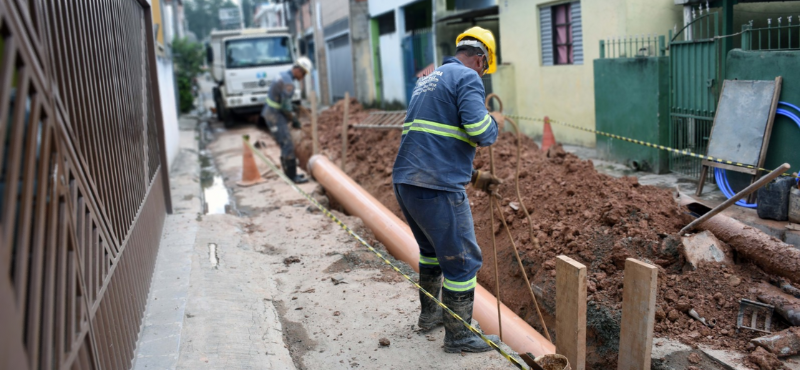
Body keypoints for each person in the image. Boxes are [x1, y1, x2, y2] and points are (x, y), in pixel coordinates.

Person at [392, 26, 506, 353]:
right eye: (485, 67)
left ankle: (430, 317)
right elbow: (478, 129)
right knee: (463, 260)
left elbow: (433, 140)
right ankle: (459, 335)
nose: (482, 73)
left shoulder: (429, 79)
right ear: (480, 59)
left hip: (407, 182)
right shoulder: (468, 77)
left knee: (431, 254)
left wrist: (472, 174)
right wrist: (494, 121)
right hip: (437, 187)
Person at [260, 56, 313, 184]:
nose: (303, 77)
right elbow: (285, 107)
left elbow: (281, 100)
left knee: (286, 143)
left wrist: (291, 106)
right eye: (304, 74)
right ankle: (291, 176)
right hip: (273, 114)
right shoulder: (289, 83)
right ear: (298, 70)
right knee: (287, 143)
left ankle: (291, 174)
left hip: (271, 111)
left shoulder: (283, 74)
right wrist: (294, 118)